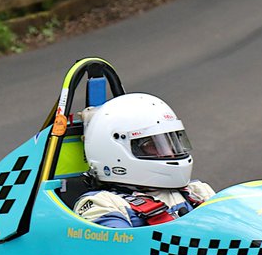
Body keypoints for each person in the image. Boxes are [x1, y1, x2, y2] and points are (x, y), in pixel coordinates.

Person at [74, 92, 214, 227]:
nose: (170, 154)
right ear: (115, 151)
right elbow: (119, 249)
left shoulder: (197, 192)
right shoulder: (101, 204)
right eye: (154, 145)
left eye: (171, 144)